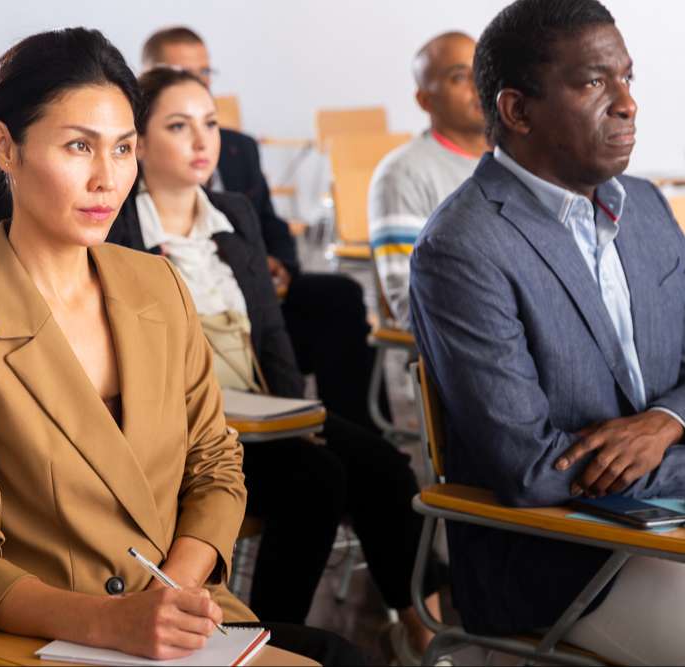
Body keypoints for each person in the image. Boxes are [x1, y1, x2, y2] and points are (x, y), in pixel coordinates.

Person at [0, 28, 362, 666]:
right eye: (78, 146)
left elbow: (216, 466)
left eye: (122, 148)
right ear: (5, 146)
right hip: (48, 640)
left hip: (182, 619)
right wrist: (114, 621)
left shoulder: (157, 282)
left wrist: (175, 591)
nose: (106, 178)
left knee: (338, 655)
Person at [107, 66, 444, 663]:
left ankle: (421, 635)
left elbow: (270, 335)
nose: (202, 141)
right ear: (137, 140)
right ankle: (263, 640)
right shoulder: (120, 225)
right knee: (315, 481)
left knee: (383, 466)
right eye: (178, 126)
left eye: (209, 124)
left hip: (262, 412)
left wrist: (298, 416)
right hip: (184, 428)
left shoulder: (233, 212)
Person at [409, 1, 685, 663]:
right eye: (595, 83)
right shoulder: (463, 247)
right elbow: (531, 469)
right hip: (565, 572)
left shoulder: (644, 205)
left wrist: (667, 419)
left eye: (628, 79)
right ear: (517, 109)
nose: (627, 104)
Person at [142, 27, 380, 430]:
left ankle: (352, 424)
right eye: (181, 71)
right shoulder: (129, 214)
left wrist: (280, 264)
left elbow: (271, 224)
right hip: (197, 346)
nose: (198, 82)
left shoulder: (239, 151)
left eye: (204, 72)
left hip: (256, 290)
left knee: (338, 299)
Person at [368, 31, 485, 329]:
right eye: (459, 77)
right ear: (424, 100)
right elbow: (409, 301)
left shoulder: (516, 162)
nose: (478, 85)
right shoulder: (402, 174)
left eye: (482, 71)